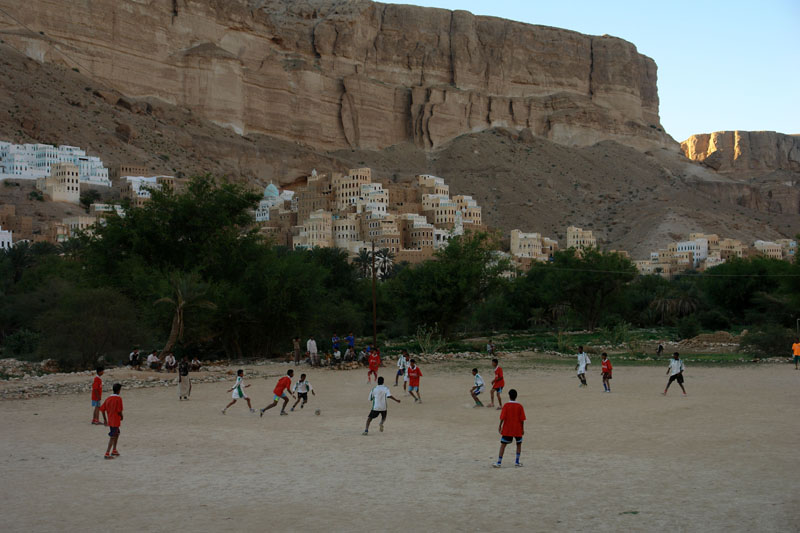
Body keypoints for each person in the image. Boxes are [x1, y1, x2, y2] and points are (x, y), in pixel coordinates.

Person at [492, 388, 525, 468]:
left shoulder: (506, 405)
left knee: (503, 445)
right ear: (516, 396)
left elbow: (502, 418)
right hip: (517, 428)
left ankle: (499, 462)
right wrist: (522, 428)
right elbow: (522, 419)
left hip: (508, 428)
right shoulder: (520, 406)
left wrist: (500, 426)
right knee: (519, 444)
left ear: (509, 396)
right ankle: (517, 462)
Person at [99, 383, 123, 460]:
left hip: (111, 420)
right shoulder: (118, 399)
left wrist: (105, 419)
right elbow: (119, 410)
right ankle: (107, 453)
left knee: (117, 433)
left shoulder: (108, 399)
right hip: (115, 420)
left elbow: (102, 409)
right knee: (113, 436)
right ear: (119, 390)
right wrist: (122, 416)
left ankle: (114, 450)